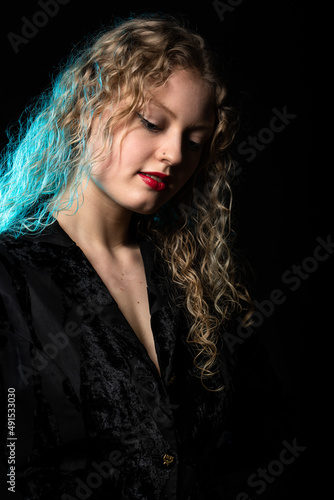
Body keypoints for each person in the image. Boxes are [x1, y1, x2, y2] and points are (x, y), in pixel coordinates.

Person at [0, 14, 285, 500]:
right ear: (87, 107)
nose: (173, 153)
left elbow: (263, 444)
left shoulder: (201, 287)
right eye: (151, 123)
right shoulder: (10, 279)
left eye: (194, 142)